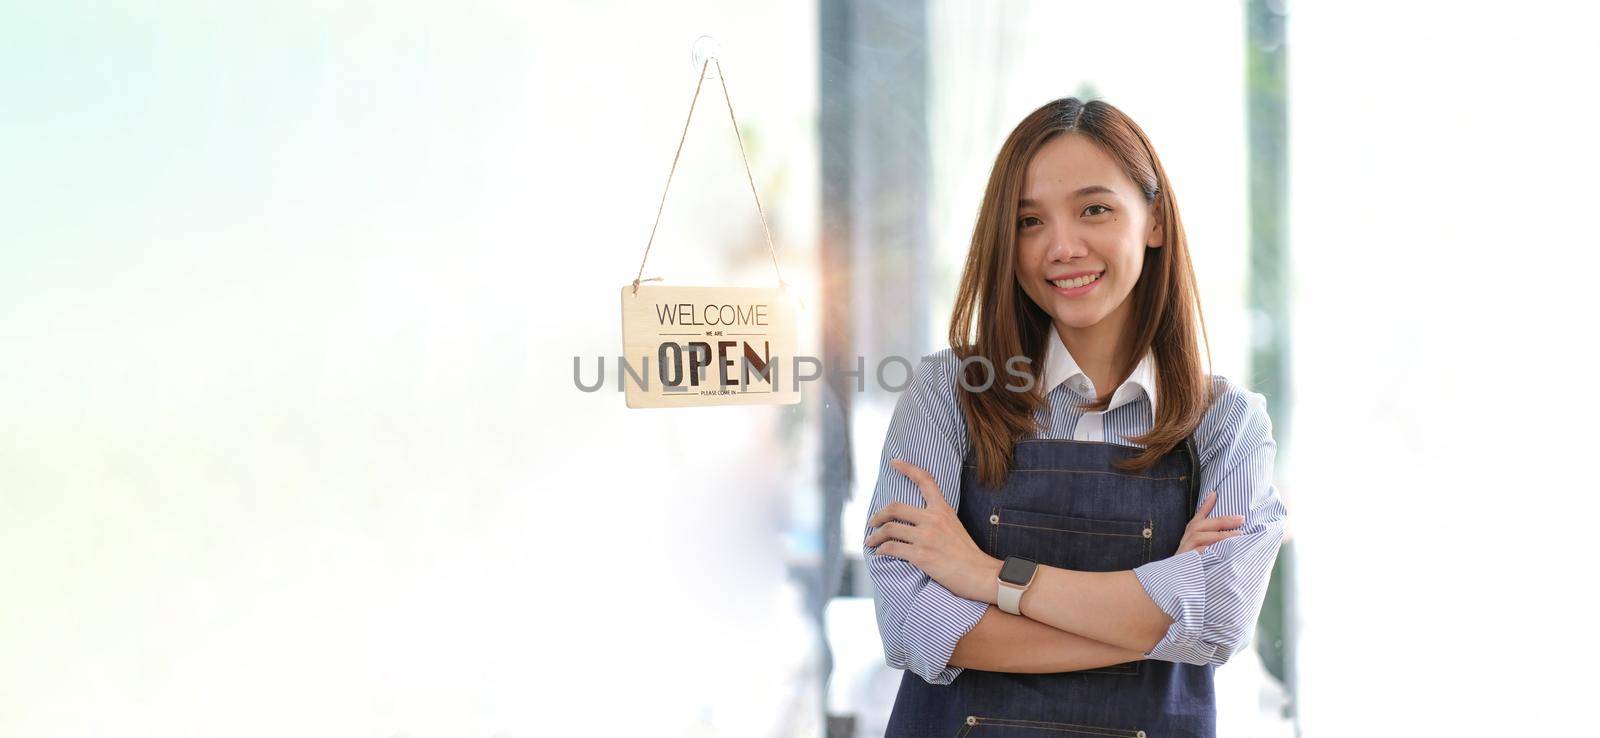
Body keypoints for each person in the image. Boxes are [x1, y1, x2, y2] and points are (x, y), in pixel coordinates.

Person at [862, 97, 1288, 738]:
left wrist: (985, 577)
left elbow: (1220, 620)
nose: (1061, 246)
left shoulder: (1226, 422)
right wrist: (1155, 620)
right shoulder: (946, 393)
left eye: (1094, 209)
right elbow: (914, 628)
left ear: (1155, 221)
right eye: (1029, 221)